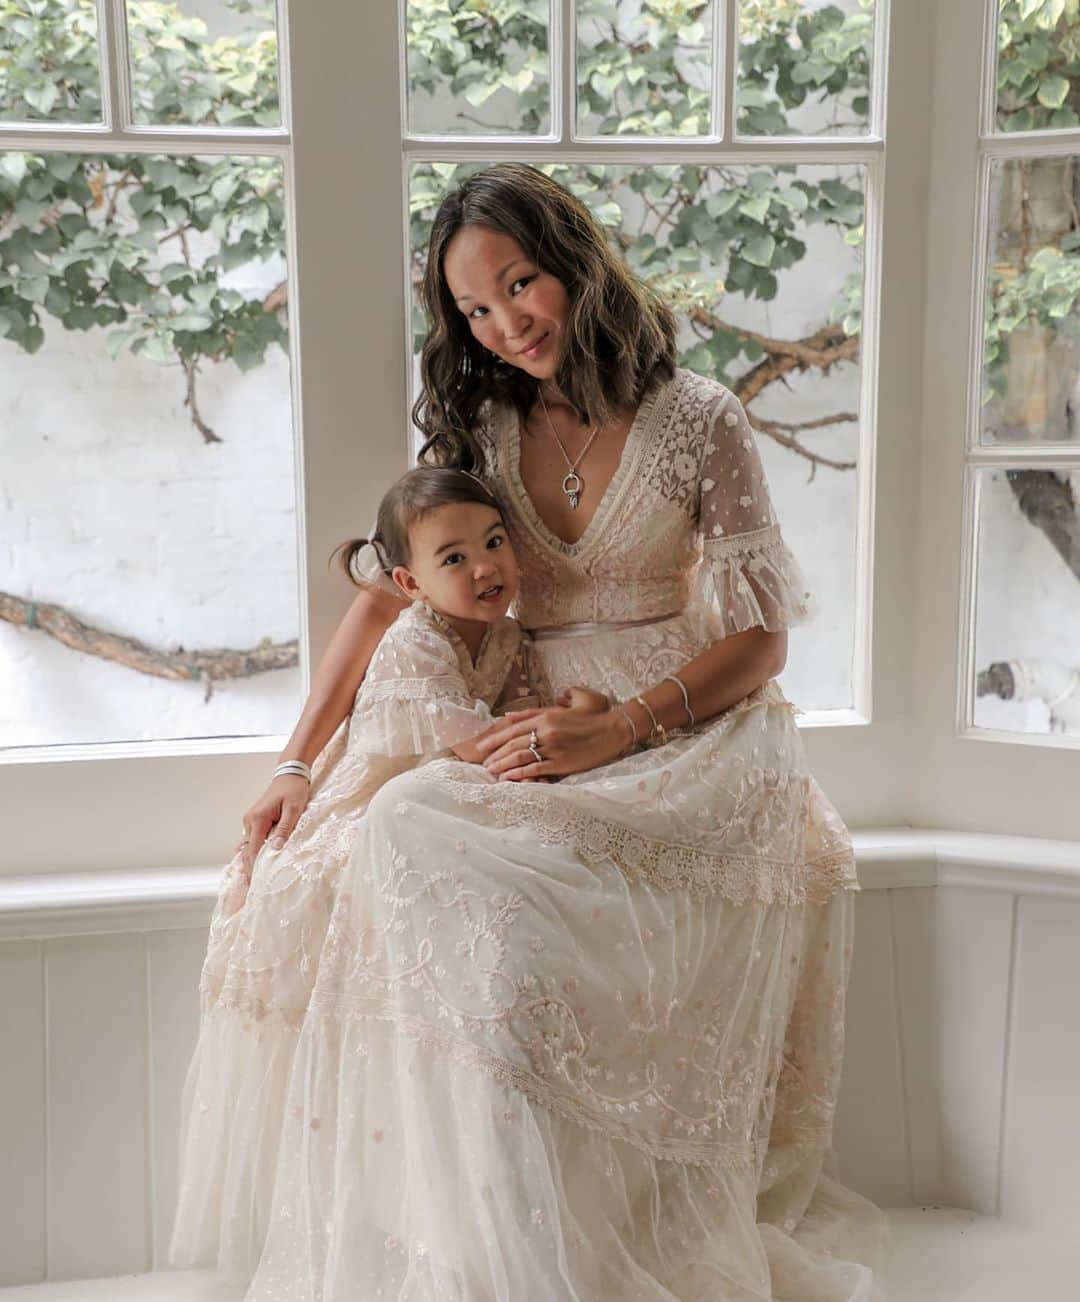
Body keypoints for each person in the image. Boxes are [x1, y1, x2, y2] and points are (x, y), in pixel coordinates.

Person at [234, 163, 887, 1299]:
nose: (505, 323)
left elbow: (765, 640)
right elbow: (389, 592)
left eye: (519, 285)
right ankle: (499, 1240)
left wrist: (625, 726)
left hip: (690, 728)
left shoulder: (702, 421)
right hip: (531, 719)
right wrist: (298, 759)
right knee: (402, 828)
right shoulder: (481, 423)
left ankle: (605, 1233)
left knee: (441, 831)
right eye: (475, 311)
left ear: (576, 262)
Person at [169, 466, 607, 1275]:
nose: (485, 568)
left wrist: (561, 715)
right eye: (454, 558)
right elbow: (478, 743)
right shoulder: (414, 640)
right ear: (407, 581)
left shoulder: (503, 637)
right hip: (369, 808)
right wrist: (565, 722)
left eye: (495, 543)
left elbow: (508, 720)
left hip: (443, 799)